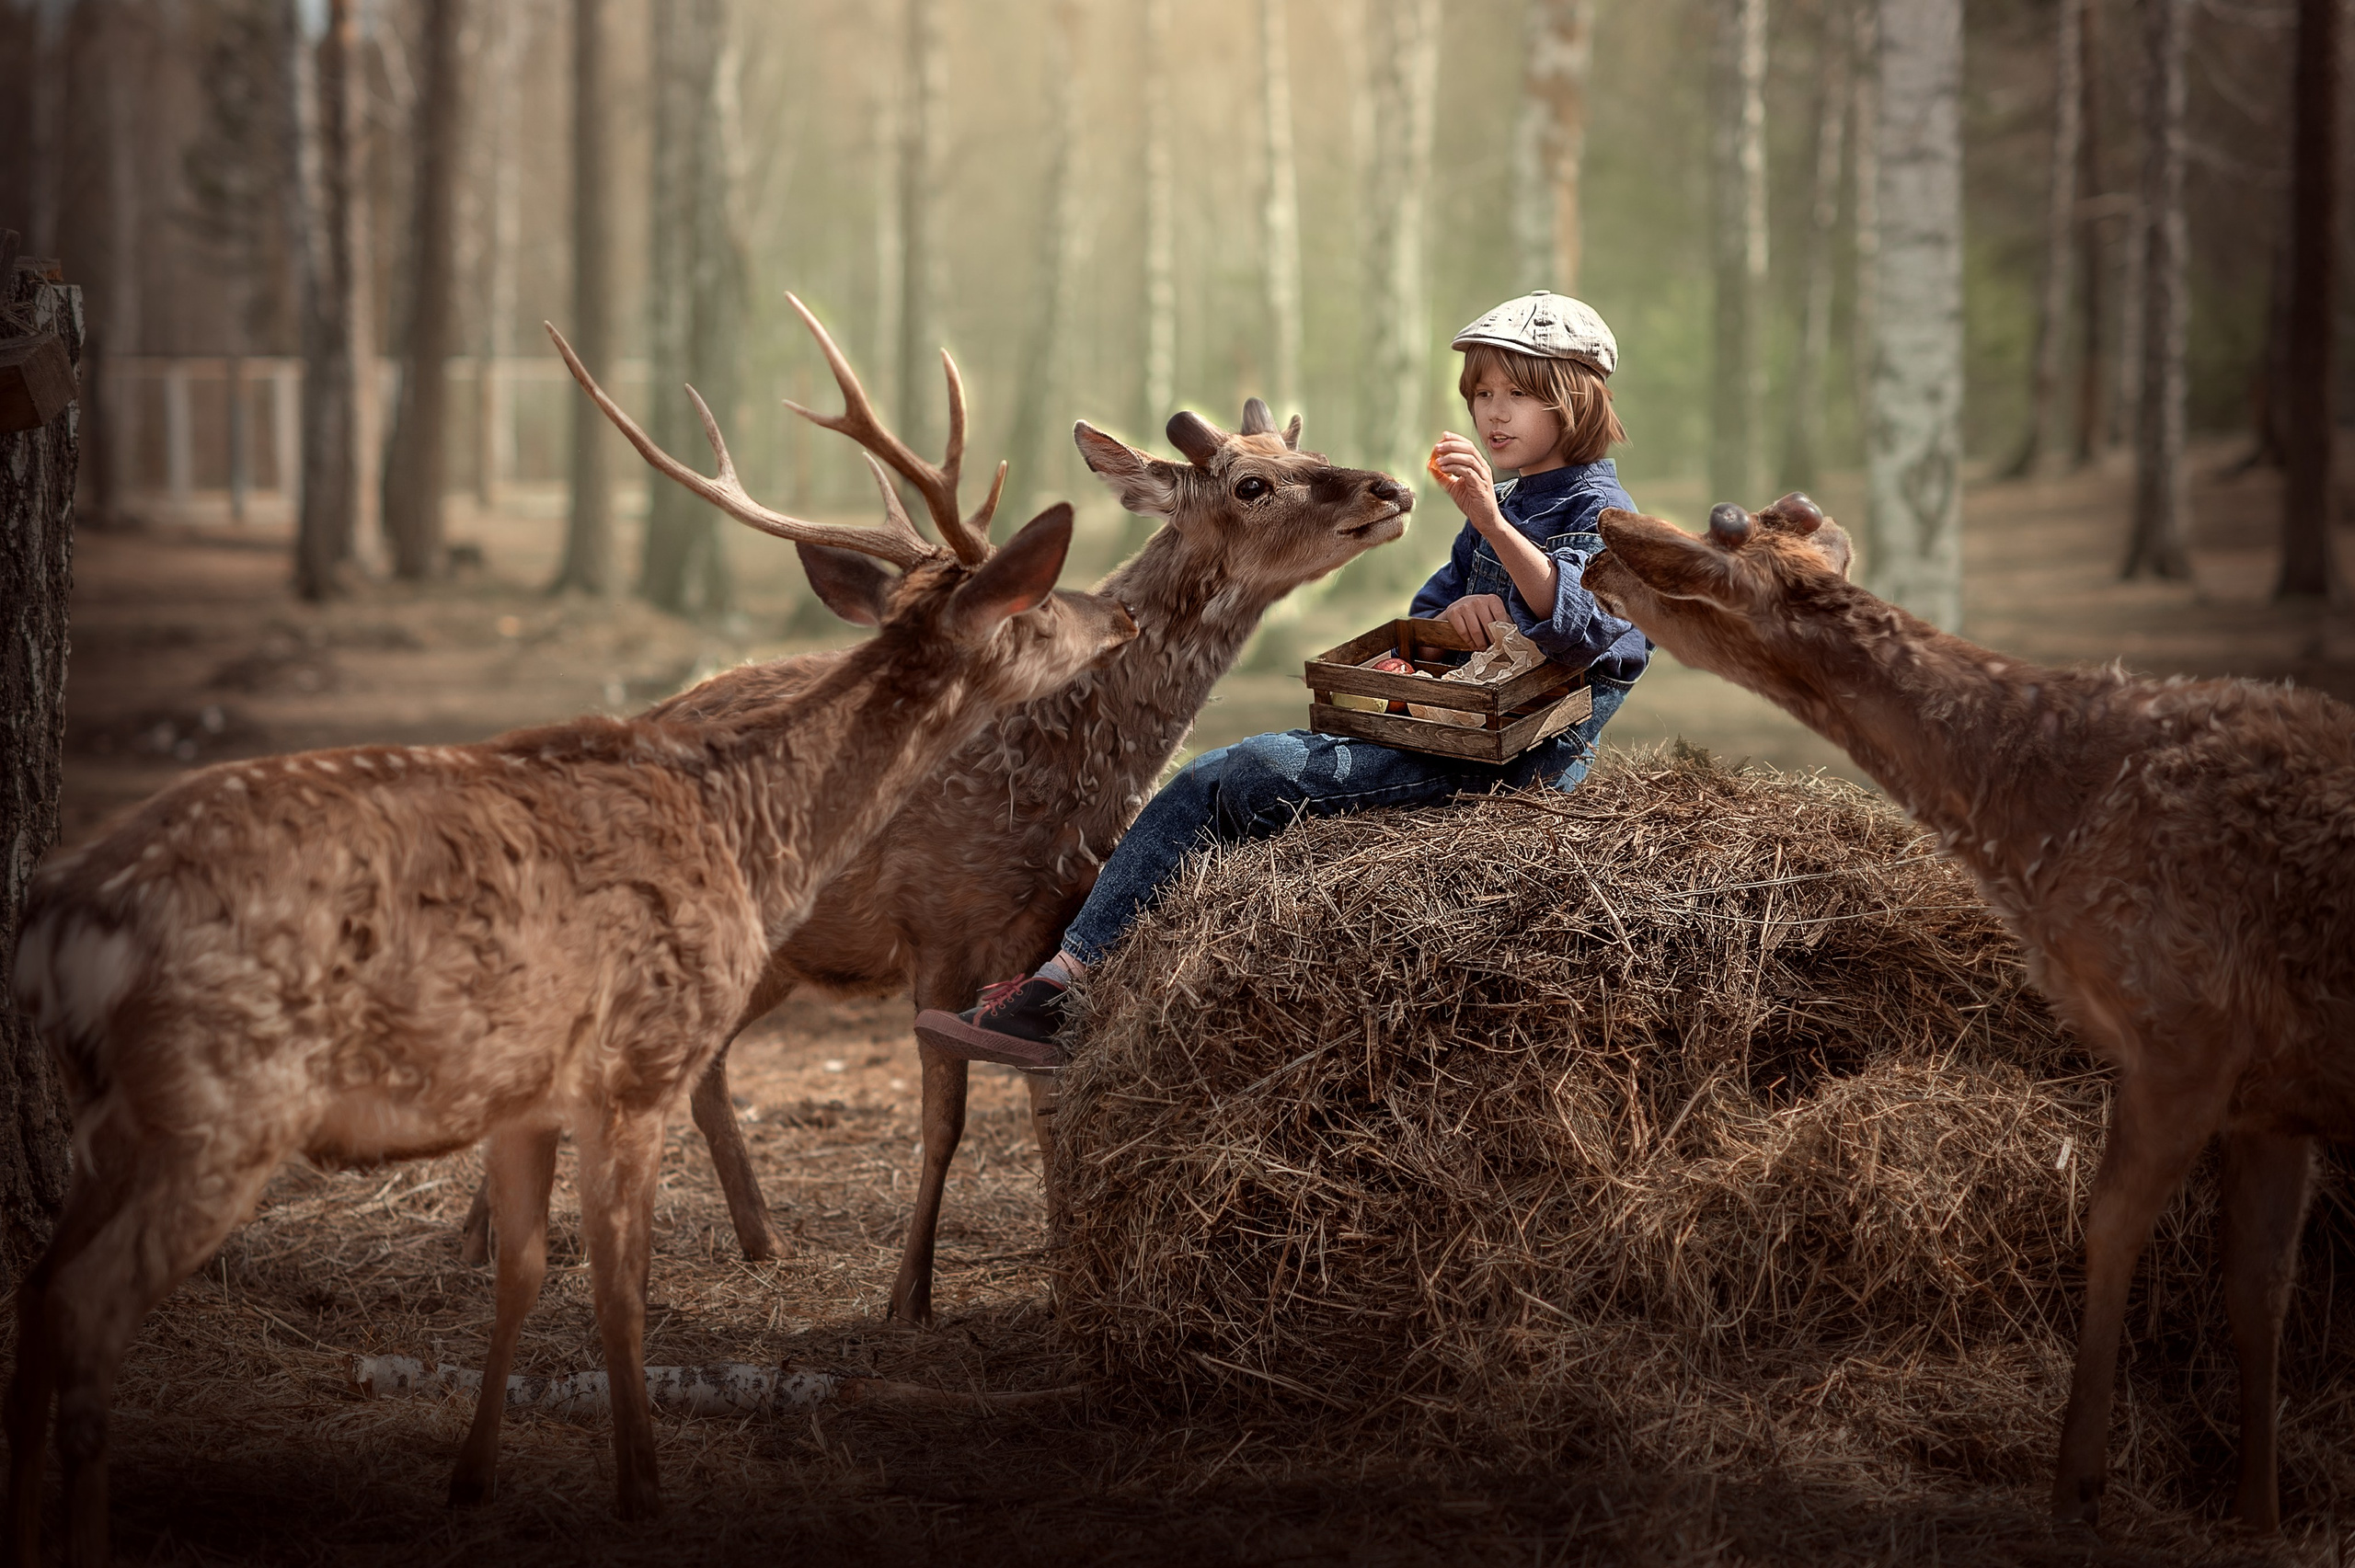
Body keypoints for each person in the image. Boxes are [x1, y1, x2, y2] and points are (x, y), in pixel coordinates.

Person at [913, 290, 1649, 1069]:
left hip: (1516, 766)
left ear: (1577, 401)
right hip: (1453, 735)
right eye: (1482, 396)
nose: (1494, 415)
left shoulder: (1601, 514)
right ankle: (1076, 983)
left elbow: (1588, 629)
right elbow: (1426, 616)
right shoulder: (1505, 505)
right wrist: (1466, 602)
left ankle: (1066, 991)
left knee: (1227, 777)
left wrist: (1494, 532)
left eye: (1520, 395)